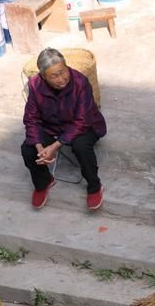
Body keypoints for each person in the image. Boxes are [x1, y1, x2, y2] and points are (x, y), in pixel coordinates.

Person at [21, 48, 107, 210]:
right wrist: (40, 146)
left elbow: (82, 120)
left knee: (81, 146)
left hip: (84, 125)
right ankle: (43, 182)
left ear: (67, 67)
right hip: (52, 126)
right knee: (28, 149)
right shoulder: (35, 85)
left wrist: (54, 146)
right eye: (54, 76)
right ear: (43, 77)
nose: (61, 79)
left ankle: (94, 186)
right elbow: (31, 118)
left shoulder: (80, 82)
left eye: (63, 72)